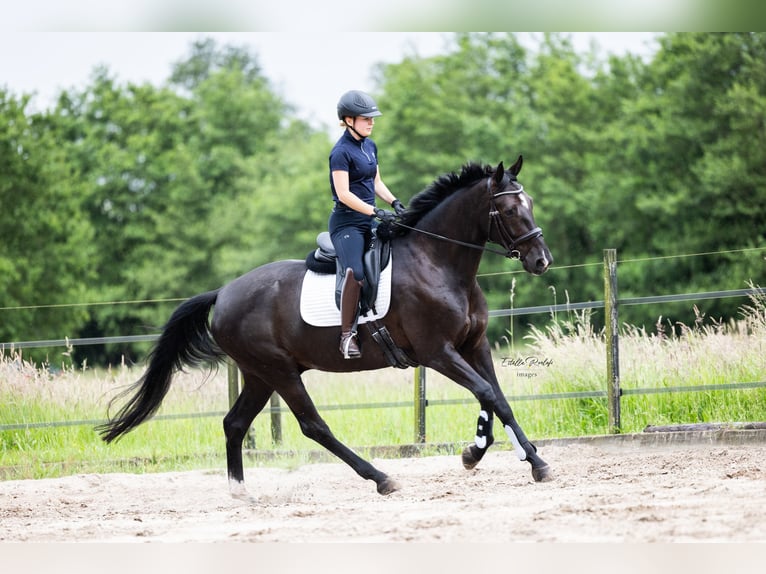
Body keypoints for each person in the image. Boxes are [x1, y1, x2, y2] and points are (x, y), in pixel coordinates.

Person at [329, 90, 406, 359]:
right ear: (348, 120)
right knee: (357, 272)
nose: (371, 123)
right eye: (365, 119)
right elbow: (344, 194)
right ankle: (346, 335)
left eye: (372, 118)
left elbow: (375, 182)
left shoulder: (369, 146)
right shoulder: (340, 152)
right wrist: (375, 211)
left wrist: (394, 202)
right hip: (347, 224)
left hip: (369, 218)